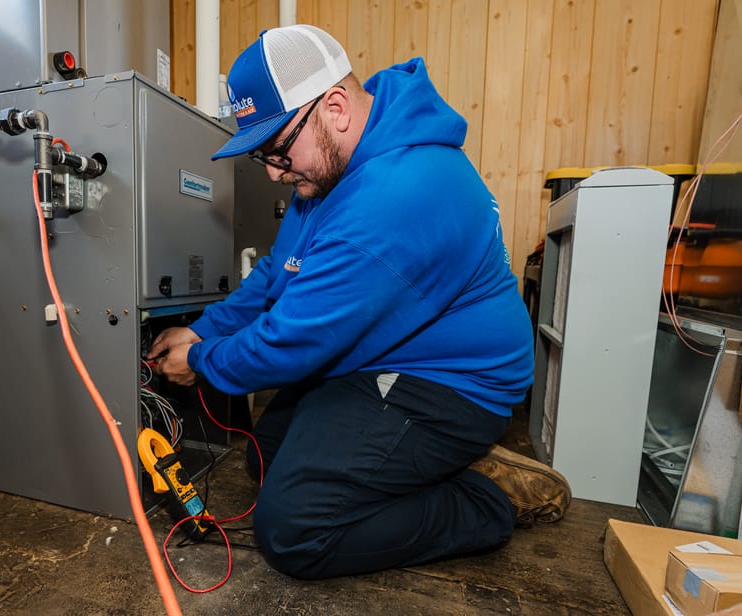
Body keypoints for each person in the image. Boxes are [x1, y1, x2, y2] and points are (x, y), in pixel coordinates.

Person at [149, 24, 570, 580]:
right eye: (261, 156)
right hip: (383, 356)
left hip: (450, 383)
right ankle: (415, 469)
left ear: (336, 108)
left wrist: (200, 360)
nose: (273, 172)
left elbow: (288, 343)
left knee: (294, 529)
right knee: (263, 457)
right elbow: (279, 269)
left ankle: (486, 500)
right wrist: (203, 328)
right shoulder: (332, 169)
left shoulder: (394, 196)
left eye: (277, 150)